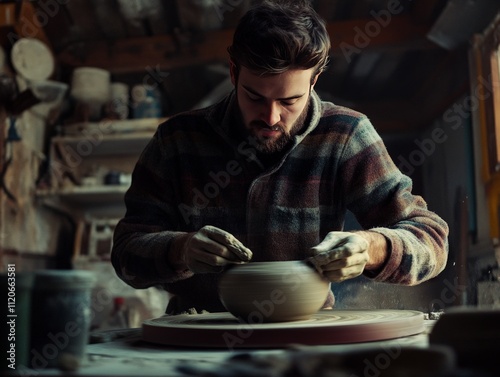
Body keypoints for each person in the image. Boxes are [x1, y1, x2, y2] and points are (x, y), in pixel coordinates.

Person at [111, 0, 449, 314]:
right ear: (233, 72)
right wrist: (180, 249)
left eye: (289, 101)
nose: (271, 117)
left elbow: (431, 242)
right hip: (197, 335)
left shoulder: (346, 135)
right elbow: (126, 253)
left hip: (305, 335)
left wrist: (371, 247)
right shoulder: (177, 141)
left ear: (314, 81)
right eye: (255, 97)